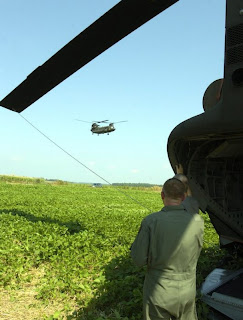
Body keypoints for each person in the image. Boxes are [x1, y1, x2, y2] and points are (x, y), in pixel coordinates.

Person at [130, 178, 204, 320]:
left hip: (159, 292)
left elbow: (138, 259)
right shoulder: (198, 222)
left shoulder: (150, 221)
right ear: (183, 197)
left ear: (162, 195)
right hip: (187, 290)